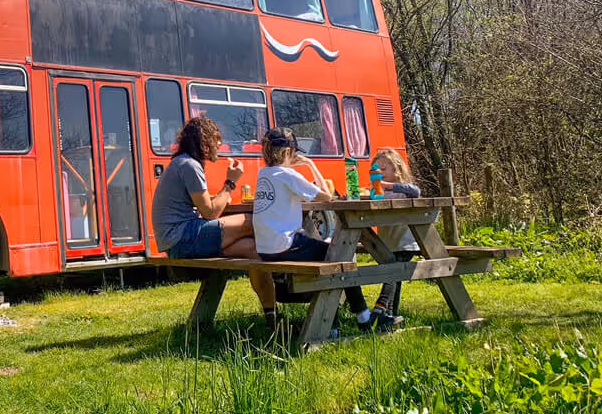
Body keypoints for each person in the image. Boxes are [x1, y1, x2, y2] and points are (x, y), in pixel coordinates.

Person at [253, 127, 396, 332]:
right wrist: (310, 165)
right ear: (287, 153)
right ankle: (362, 317)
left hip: (266, 250)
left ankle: (336, 325)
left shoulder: (263, 174)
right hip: (284, 246)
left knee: (330, 258)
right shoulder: (287, 175)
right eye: (295, 152)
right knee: (339, 255)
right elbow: (327, 195)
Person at [150, 117, 273, 308]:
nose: (219, 144)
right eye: (216, 139)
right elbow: (210, 213)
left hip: (178, 239)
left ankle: (271, 314)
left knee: (253, 249)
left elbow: (206, 206)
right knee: (250, 222)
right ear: (204, 142)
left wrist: (221, 196)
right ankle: (292, 257)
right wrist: (230, 182)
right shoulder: (189, 165)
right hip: (182, 238)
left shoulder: (183, 162)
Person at [370, 148, 422, 321]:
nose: (380, 173)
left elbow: (416, 191)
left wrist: (389, 185)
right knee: (396, 277)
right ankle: (390, 316)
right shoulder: (378, 192)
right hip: (388, 243)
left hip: (405, 243)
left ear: (397, 168)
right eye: (377, 169)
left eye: (384, 169)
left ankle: (380, 307)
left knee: (392, 273)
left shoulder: (403, 190)